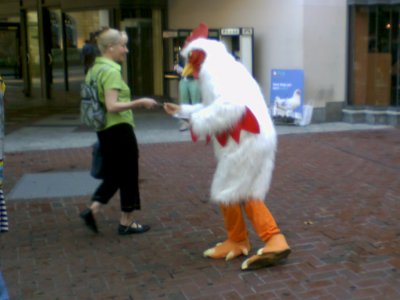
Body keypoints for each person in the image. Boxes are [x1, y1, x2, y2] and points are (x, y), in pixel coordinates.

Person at [79, 28, 157, 235]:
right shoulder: (111, 71)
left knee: (117, 174)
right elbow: (112, 105)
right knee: (129, 174)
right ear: (110, 47)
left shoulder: (94, 68)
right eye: (123, 45)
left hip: (104, 129)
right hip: (119, 128)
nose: (126, 50)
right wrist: (140, 102)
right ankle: (126, 222)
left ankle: (94, 209)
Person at [174, 54, 201, 131]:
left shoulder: (197, 56)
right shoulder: (182, 57)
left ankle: (197, 123)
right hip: (183, 80)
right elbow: (179, 66)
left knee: (195, 102)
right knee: (183, 102)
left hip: (194, 79)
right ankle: (185, 123)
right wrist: (177, 68)